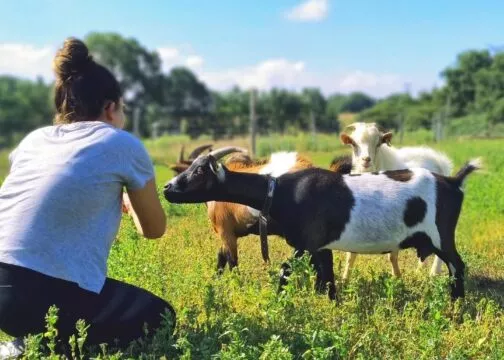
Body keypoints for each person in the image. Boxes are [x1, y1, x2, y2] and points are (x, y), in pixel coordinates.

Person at [0, 37, 174, 357]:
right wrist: (133, 205)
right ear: (110, 108)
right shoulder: (121, 143)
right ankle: (40, 347)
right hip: (41, 295)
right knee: (160, 317)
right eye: (122, 109)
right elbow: (153, 229)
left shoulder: (34, 141)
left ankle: (28, 341)